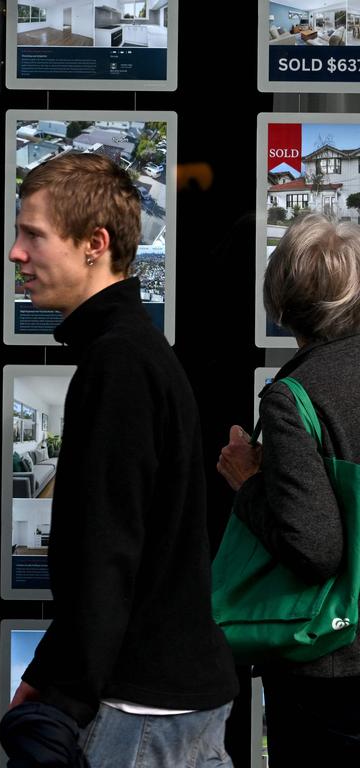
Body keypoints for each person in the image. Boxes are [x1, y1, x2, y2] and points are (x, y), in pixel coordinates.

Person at [5, 153, 238, 765]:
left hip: (142, 710)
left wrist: (61, 698)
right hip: (166, 695)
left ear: (94, 244)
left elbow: (108, 554)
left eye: (34, 234)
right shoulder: (130, 351)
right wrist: (49, 676)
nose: (16, 253)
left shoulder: (120, 364)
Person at [217, 212, 360, 765]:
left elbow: (316, 550)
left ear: (281, 300)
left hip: (331, 671)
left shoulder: (294, 395)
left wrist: (249, 480)